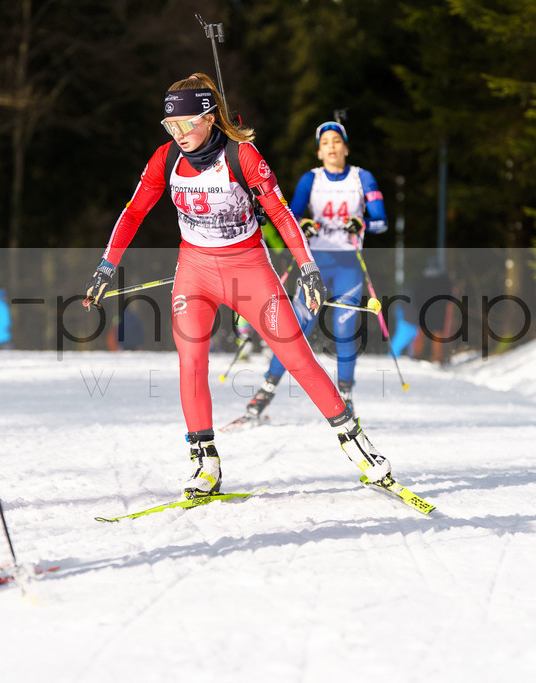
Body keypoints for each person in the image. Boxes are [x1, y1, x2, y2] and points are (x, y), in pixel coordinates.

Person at [82, 73, 394, 499]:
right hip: (194, 273)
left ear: (209, 118)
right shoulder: (164, 158)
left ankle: (356, 443)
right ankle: (204, 460)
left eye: (186, 124)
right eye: (170, 127)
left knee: (296, 356)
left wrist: (307, 267)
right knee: (191, 362)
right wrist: (106, 266)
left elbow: (283, 214)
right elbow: (133, 212)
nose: (178, 134)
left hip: (249, 272)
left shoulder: (242, 155)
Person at [244, 121, 388, 418]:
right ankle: (265, 392)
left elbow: (381, 221)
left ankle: (345, 396)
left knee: (344, 330)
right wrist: (304, 225)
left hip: (348, 266)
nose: (332, 147)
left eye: (337, 141)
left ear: (346, 147)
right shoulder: (310, 179)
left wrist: (362, 223)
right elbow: (289, 217)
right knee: (296, 330)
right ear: (319, 151)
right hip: (316, 266)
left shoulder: (364, 178)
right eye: (326, 143)